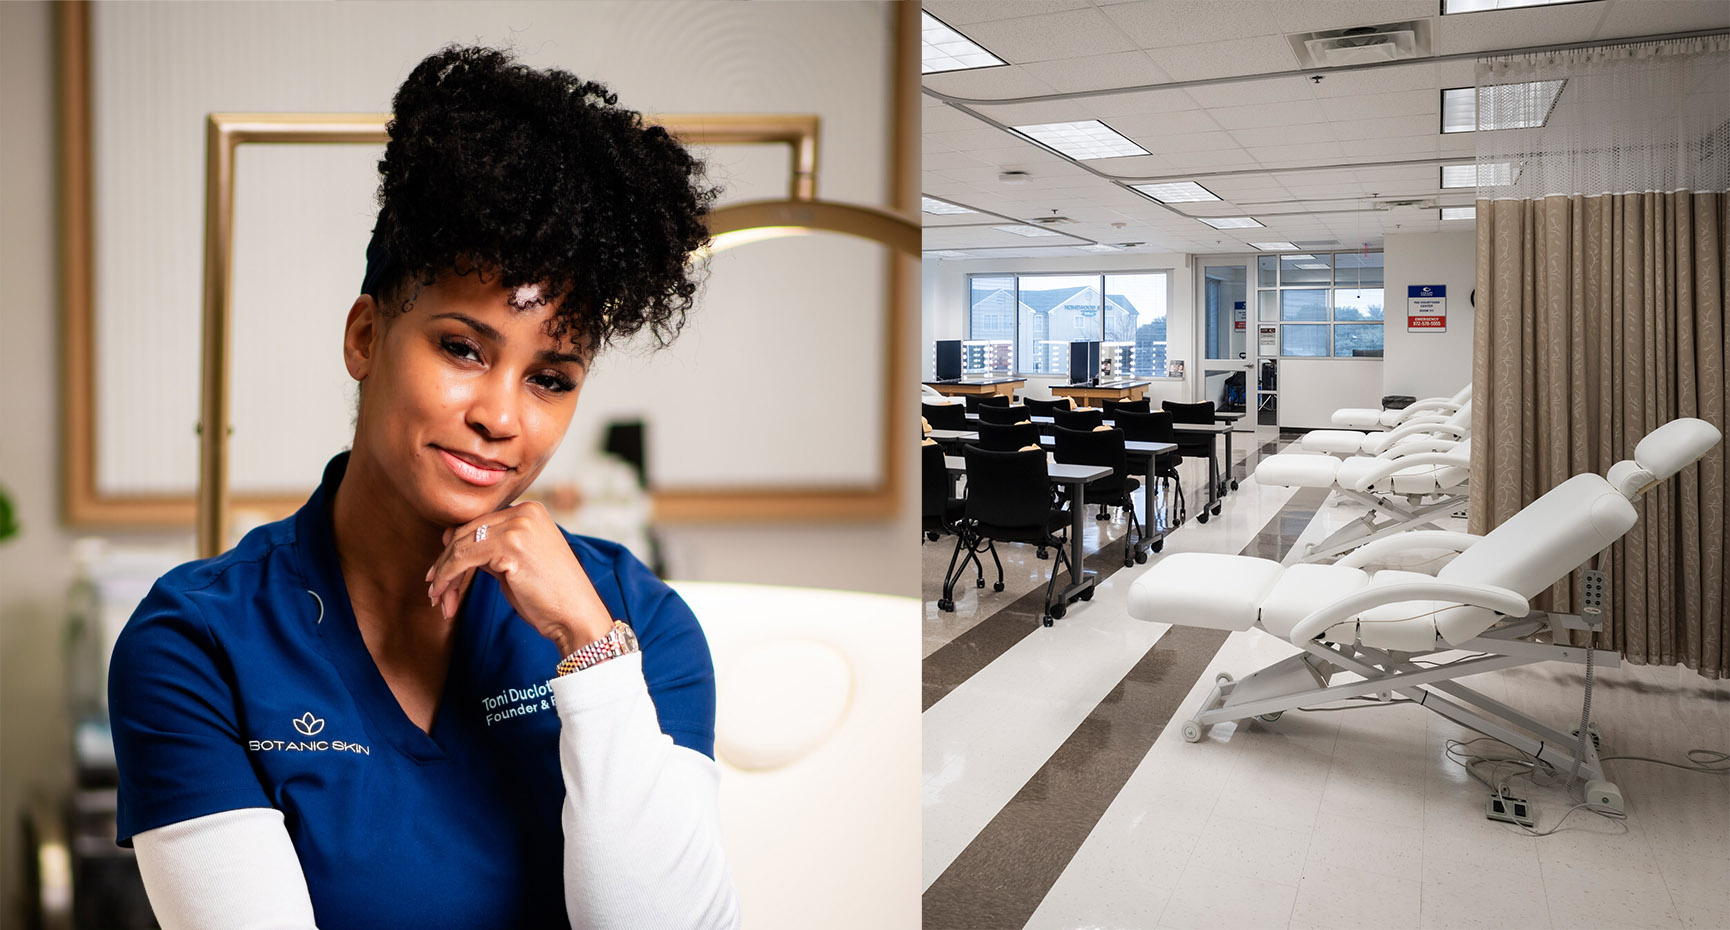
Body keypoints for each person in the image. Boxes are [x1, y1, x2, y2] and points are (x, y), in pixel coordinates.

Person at [107, 44, 738, 929]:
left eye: (550, 378)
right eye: (462, 348)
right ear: (366, 335)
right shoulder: (197, 646)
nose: (501, 415)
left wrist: (590, 649)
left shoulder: (639, 626)